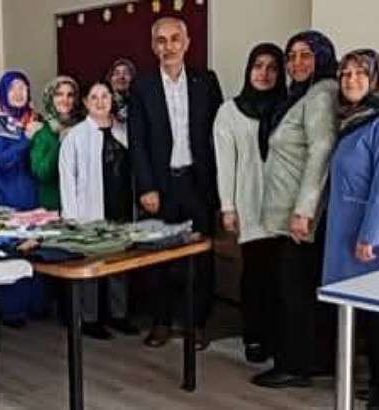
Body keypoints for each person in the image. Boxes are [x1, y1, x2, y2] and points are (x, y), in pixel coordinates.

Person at [323, 49, 379, 408]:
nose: (351, 80)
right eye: (345, 74)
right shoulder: (354, 120)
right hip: (357, 232)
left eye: (361, 73)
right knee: (374, 319)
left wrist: (370, 236)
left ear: (378, 79)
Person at [128, 16, 222, 349]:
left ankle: (196, 324)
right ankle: (162, 322)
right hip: (161, 184)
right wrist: (146, 187)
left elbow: (217, 134)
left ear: (187, 43)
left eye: (175, 39)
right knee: (160, 257)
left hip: (197, 182)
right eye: (161, 40)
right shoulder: (142, 86)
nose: (168, 47)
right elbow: (137, 141)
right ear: (153, 46)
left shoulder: (205, 81)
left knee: (200, 257)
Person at [252, 31, 338, 388]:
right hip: (291, 211)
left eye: (306, 55)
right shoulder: (301, 95)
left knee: (294, 292)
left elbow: (322, 150)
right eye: (292, 56)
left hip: (300, 216)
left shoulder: (321, 94)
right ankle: (312, 360)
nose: (296, 63)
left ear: (322, 57)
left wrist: (304, 211)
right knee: (299, 288)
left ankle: (295, 366)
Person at [213, 43, 286, 363]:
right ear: (248, 70)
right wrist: (228, 206)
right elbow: (225, 163)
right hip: (249, 204)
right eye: (258, 66)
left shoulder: (289, 108)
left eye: (272, 67)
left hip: (285, 207)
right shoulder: (230, 112)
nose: (264, 73)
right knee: (255, 274)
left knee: (282, 278)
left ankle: (280, 339)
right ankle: (255, 337)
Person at [59, 81, 138, 339]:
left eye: (105, 96)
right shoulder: (75, 136)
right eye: (94, 97)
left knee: (119, 264)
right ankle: (89, 318)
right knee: (92, 265)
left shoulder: (124, 131)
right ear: (85, 102)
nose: (101, 101)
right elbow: (67, 178)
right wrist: (72, 216)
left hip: (121, 206)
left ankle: (119, 314)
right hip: (89, 210)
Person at [0, 70, 45, 327]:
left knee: (35, 250)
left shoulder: (34, 119)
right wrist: (26, 139)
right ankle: (12, 310)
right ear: (3, 93)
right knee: (11, 252)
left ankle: (36, 305)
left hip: (33, 197)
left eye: (23, 87)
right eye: (12, 88)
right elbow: (1, 159)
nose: (19, 93)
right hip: (7, 198)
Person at [30, 75, 82, 211]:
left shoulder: (82, 128)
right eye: (59, 94)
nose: (65, 99)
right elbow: (43, 173)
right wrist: (60, 143)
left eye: (70, 95)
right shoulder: (43, 132)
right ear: (50, 98)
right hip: (53, 207)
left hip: (81, 205)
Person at [106, 58, 137, 123]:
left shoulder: (139, 103)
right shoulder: (103, 104)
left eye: (126, 73)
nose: (121, 77)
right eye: (117, 73)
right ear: (110, 79)